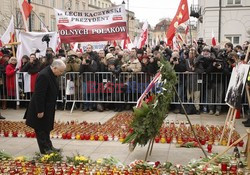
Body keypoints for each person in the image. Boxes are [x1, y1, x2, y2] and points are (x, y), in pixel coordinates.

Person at [24, 59, 66, 154]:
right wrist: (40, 110)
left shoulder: (51, 73)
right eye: (60, 71)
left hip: (48, 106)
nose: (61, 73)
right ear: (54, 68)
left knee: (46, 128)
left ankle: (49, 146)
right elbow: (39, 94)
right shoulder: (44, 75)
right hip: (41, 107)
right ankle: (45, 150)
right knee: (41, 129)